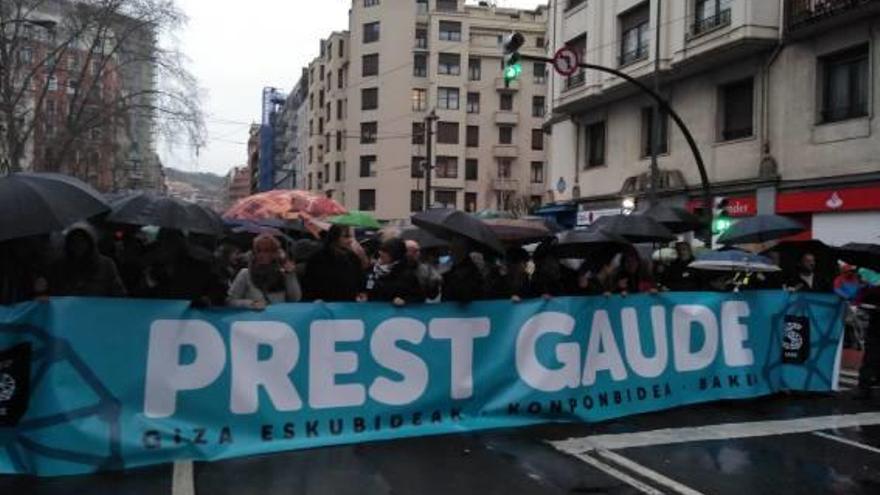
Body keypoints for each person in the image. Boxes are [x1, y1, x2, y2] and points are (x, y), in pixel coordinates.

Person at [141, 229, 227, 307]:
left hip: (192, 316)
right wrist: (150, 282)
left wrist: (205, 300)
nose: (167, 247)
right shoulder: (154, 269)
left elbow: (218, 292)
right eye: (164, 242)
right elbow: (141, 296)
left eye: (172, 242)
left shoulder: (199, 267)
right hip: (161, 315)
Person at [48, 224, 126, 298]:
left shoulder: (106, 264)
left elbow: (118, 291)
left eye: (82, 241)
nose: (78, 245)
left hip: (98, 307)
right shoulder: (59, 266)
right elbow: (54, 291)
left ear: (89, 243)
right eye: (74, 242)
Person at [227, 234, 301, 309]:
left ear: (275, 253)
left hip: (277, 319)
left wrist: (290, 274)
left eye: (267, 250)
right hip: (254, 319)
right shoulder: (245, 274)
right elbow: (230, 301)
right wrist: (251, 304)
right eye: (258, 250)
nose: (261, 254)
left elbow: (295, 299)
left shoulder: (282, 273)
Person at [301, 225, 365, 302]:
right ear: (335, 237)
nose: (350, 240)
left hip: (348, 305)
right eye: (346, 236)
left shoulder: (353, 257)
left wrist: (361, 292)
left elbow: (359, 279)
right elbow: (308, 282)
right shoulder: (318, 258)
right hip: (324, 304)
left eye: (350, 237)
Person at [367, 238, 424, 305]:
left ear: (394, 255)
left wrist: (404, 300)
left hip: (395, 313)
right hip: (373, 310)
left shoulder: (407, 275)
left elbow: (419, 297)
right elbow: (369, 287)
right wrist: (364, 294)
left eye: (386, 251)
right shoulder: (373, 269)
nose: (381, 253)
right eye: (382, 250)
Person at [441, 235, 486, 303]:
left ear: (463, 250)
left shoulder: (469, 270)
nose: (450, 253)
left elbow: (464, 295)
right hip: (449, 309)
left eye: (453, 249)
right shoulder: (453, 268)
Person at [855, 284, 880, 399]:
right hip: (876, 331)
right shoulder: (874, 291)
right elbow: (861, 303)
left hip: (875, 331)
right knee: (870, 359)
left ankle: (865, 388)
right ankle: (864, 388)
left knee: (870, 359)